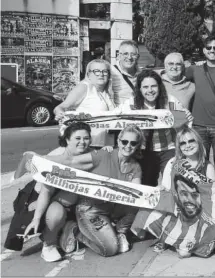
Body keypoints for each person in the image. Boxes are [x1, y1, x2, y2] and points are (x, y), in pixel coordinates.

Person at [38, 125, 145, 257]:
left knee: (139, 203)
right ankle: (74, 231)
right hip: (91, 208)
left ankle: (120, 232)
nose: (128, 146)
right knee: (110, 249)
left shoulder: (136, 167)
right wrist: (39, 158)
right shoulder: (105, 154)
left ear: (137, 145)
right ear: (118, 141)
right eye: (125, 141)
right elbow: (71, 160)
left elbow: (137, 192)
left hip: (112, 208)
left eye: (133, 143)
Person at [131, 126, 215, 258]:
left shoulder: (208, 167)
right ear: (179, 147)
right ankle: (166, 238)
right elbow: (167, 188)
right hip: (178, 209)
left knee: (184, 253)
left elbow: (213, 196)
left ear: (198, 142)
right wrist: (160, 190)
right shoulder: (173, 163)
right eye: (183, 143)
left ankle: (172, 240)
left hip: (197, 214)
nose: (188, 145)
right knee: (152, 203)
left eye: (191, 141)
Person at [21, 123, 94, 262]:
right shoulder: (56, 157)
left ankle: (70, 228)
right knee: (57, 212)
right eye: (77, 138)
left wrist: (110, 151)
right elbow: (45, 192)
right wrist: (36, 218)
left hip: (79, 201)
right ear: (67, 139)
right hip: (50, 199)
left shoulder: (94, 155)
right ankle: (49, 244)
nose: (82, 142)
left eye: (86, 138)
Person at [118, 69, 193, 186]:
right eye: (145, 87)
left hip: (168, 149)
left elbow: (186, 123)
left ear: (159, 86)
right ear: (140, 88)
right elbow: (113, 118)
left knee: (174, 183)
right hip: (142, 151)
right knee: (146, 185)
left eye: (154, 86)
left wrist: (186, 116)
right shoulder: (131, 104)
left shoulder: (171, 101)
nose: (150, 90)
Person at [54, 59, 116, 147]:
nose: (101, 74)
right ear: (88, 74)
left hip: (106, 146)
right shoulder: (84, 87)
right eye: (96, 71)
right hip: (88, 146)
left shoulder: (106, 92)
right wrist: (60, 113)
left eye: (104, 71)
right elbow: (61, 107)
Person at [111, 40, 140, 106]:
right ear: (119, 56)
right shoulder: (110, 72)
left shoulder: (142, 74)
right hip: (120, 114)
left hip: (140, 114)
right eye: (125, 54)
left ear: (138, 57)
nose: (129, 57)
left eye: (133, 54)